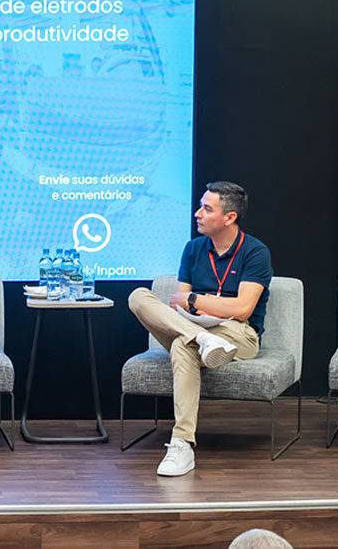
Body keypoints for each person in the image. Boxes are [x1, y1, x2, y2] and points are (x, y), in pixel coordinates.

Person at [128, 181, 272, 477]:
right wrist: (196, 311)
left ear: (229, 217)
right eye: (200, 207)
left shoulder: (255, 252)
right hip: (196, 327)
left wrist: (196, 300)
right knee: (138, 297)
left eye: (207, 209)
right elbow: (177, 303)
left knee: (182, 345)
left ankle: (182, 444)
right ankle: (202, 339)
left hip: (238, 333)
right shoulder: (193, 248)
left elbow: (242, 309)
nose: (197, 214)